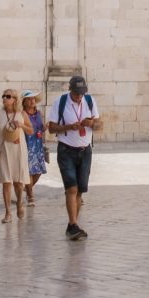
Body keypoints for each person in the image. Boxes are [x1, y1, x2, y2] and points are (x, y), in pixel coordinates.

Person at [52, 74, 100, 240]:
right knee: (71, 188)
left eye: (81, 92)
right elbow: (51, 128)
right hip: (66, 150)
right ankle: (73, 224)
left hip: (85, 151)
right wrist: (69, 126)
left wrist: (92, 123)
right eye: (76, 93)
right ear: (70, 90)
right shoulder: (60, 102)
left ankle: (73, 225)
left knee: (79, 190)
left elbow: (100, 125)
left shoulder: (90, 101)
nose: (79, 96)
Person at [0, 90, 31, 223]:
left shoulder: (22, 114)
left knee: (18, 182)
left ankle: (19, 203)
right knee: (6, 182)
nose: (4, 98)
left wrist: (21, 125)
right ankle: (8, 212)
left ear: (15, 99)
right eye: (3, 96)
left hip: (18, 149)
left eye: (8, 96)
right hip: (3, 150)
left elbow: (31, 130)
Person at [21, 90, 47, 206]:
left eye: (33, 99)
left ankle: (27, 188)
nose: (32, 101)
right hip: (27, 144)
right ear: (24, 102)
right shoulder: (22, 114)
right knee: (29, 172)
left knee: (39, 171)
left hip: (38, 145)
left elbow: (41, 128)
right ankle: (30, 196)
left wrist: (45, 127)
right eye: (29, 99)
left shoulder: (39, 113)